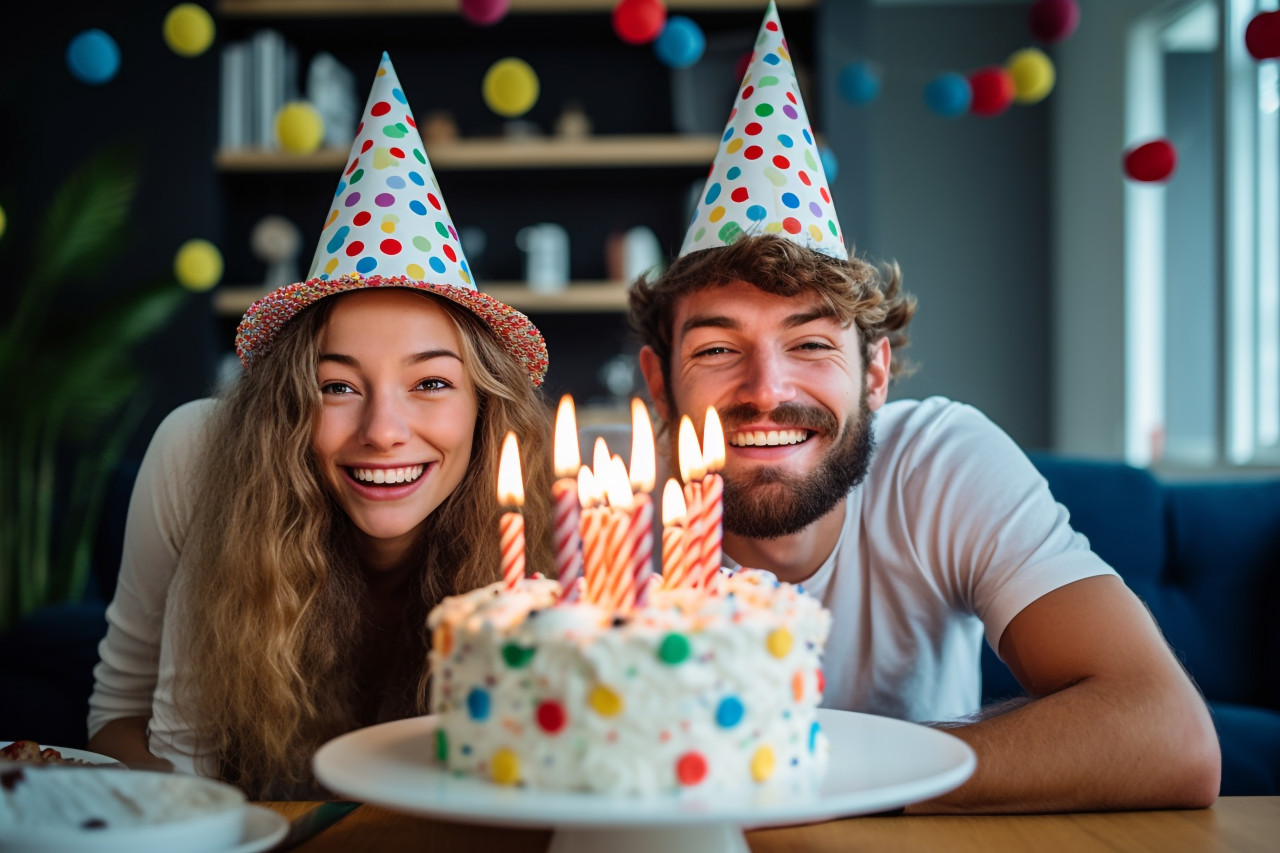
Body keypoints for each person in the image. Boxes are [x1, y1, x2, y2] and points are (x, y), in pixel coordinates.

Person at [628, 2, 1219, 813]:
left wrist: (822, 777)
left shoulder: (940, 460)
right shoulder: (606, 517)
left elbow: (1168, 735)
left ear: (875, 374)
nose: (766, 390)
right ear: (660, 384)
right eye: (718, 349)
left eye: (810, 344)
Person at [87, 54, 553, 799]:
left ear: (485, 402)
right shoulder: (200, 452)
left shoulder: (554, 505)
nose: (383, 429)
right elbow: (119, 716)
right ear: (284, 401)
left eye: (431, 382)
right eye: (336, 385)